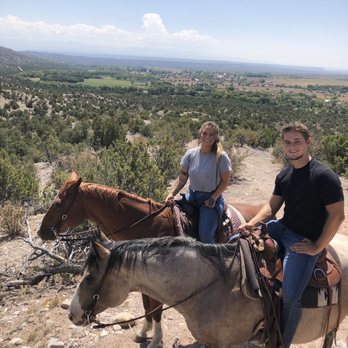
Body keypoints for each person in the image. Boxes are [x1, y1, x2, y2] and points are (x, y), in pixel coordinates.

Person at [238, 122, 345, 347]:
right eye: (287, 142)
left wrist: (317, 247)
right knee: (234, 245)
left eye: (297, 141)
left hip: (302, 240)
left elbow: (337, 216)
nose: (292, 146)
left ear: (308, 142)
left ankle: (280, 342)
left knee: (291, 295)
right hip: (281, 228)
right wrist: (251, 223)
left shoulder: (323, 175)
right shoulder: (285, 174)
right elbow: (271, 208)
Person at [165, 121, 232, 243]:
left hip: (211, 199)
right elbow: (182, 178)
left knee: (205, 236)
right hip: (192, 197)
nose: (207, 137)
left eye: (211, 134)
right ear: (200, 134)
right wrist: (171, 194)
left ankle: (212, 257)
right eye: (205, 133)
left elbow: (225, 181)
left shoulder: (221, 157)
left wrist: (213, 198)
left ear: (216, 136)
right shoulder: (190, 154)